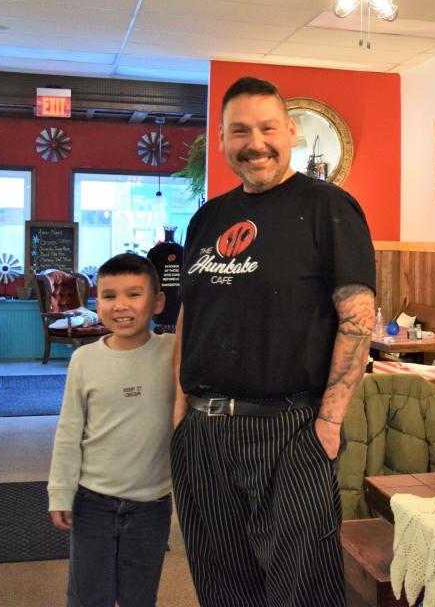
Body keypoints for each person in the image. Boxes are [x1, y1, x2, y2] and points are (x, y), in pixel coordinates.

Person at [171, 77, 376, 607]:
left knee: (301, 589)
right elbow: (190, 318)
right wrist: (178, 416)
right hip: (204, 430)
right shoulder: (207, 217)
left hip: (290, 427)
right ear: (220, 140)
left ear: (290, 132)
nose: (254, 142)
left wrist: (329, 422)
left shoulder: (330, 206)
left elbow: (358, 315)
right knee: (221, 586)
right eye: (239, 130)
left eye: (267, 128)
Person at [47, 253, 175, 607]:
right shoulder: (84, 360)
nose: (121, 306)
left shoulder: (174, 352)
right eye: (109, 295)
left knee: (140, 596)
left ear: (158, 301)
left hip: (151, 506)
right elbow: (69, 431)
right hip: (92, 502)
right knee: (88, 596)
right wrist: (60, 490)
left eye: (134, 294)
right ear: (96, 302)